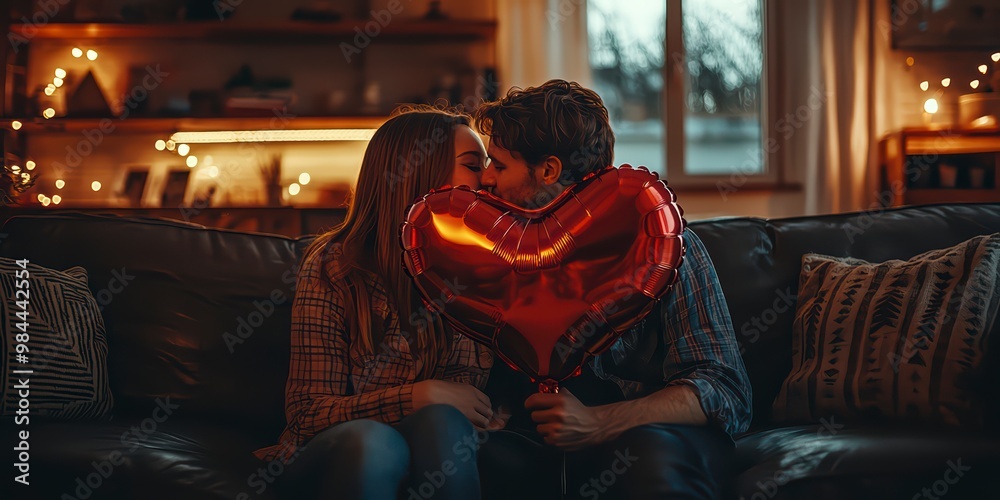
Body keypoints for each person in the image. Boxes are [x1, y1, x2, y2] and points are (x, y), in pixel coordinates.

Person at [473, 80, 753, 500]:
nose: (485, 178)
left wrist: (597, 423)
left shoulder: (663, 247)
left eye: (498, 165)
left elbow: (726, 391)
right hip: (529, 444)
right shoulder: (484, 252)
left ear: (548, 171)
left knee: (649, 456)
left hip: (641, 438)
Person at [253, 106, 500, 500]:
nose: (488, 178)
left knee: (442, 421)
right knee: (374, 441)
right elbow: (306, 415)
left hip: (440, 444)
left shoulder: (486, 266)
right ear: (421, 173)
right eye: (473, 165)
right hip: (340, 451)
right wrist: (418, 396)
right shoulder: (336, 266)